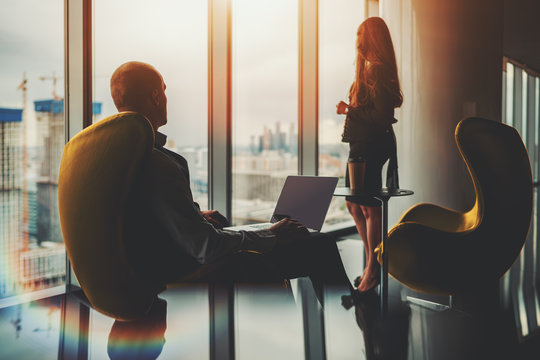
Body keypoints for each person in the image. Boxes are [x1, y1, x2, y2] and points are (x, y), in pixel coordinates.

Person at [110, 61, 352, 298]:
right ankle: (352, 321)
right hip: (186, 266)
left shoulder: (124, 153)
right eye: (164, 90)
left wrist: (193, 215)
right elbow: (207, 247)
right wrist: (272, 233)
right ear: (155, 97)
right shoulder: (158, 162)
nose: (165, 98)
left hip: (159, 259)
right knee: (319, 244)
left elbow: (150, 217)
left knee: (290, 233)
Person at [336, 17, 403, 292]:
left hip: (370, 147)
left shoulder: (377, 71)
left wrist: (348, 110)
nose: (357, 41)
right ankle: (370, 264)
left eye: (360, 35)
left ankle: (372, 269)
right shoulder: (371, 71)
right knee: (354, 205)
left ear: (369, 38)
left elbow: (379, 117)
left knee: (370, 207)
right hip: (361, 146)